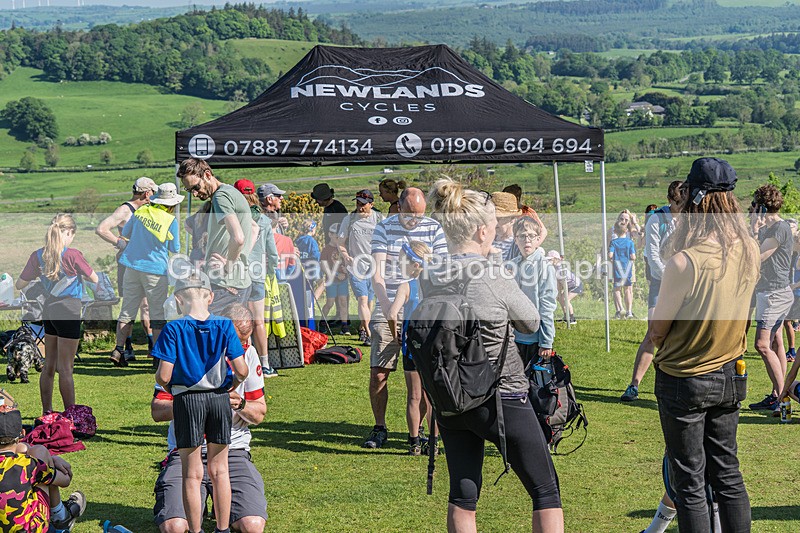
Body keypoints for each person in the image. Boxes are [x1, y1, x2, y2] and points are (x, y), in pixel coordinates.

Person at [427, 178, 563, 533]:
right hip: (500, 394)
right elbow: (531, 321)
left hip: (451, 396)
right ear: (484, 231)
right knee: (545, 489)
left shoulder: (432, 274)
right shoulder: (491, 275)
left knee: (463, 493)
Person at [649, 157, 758, 532]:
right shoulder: (749, 249)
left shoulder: (685, 261)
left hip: (685, 377)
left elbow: (658, 330)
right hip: (731, 372)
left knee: (690, 482)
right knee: (728, 474)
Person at [152, 304, 268, 533]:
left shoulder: (248, 354)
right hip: (187, 451)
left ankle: (221, 508)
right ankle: (200, 506)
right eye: (237, 342)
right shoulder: (182, 347)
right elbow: (157, 410)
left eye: (245, 341)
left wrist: (239, 403)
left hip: (233, 450)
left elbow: (259, 413)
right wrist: (194, 404)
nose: (242, 347)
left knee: (252, 525)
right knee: (174, 527)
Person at [365, 187, 448, 449]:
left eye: (420, 216)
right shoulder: (384, 228)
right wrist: (391, 309)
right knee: (380, 372)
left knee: (423, 379)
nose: (416, 221)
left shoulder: (434, 229)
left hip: (423, 307)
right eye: (411, 215)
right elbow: (376, 275)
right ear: (399, 207)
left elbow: (442, 269)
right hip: (389, 299)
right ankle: (380, 427)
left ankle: (419, 432)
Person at [16, 214, 99, 415]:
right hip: (69, 311)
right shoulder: (73, 255)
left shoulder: (37, 256)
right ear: (68, 232)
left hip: (49, 310)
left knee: (49, 366)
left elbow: (20, 284)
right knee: (66, 369)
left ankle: (47, 411)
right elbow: (95, 279)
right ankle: (70, 415)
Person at [621, 182, 684, 402]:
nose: (682, 207)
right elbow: (652, 254)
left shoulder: (690, 217)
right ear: (670, 200)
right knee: (653, 333)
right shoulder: (657, 219)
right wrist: (670, 276)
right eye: (678, 203)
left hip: (685, 281)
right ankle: (634, 385)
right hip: (662, 281)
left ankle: (676, 385)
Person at [110, 182, 183, 367]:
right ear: (172, 203)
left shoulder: (140, 212)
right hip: (155, 271)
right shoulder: (170, 220)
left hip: (131, 266)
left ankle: (119, 350)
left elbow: (125, 233)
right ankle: (157, 356)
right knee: (157, 312)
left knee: (127, 310)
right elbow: (175, 248)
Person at [177, 158, 254, 313]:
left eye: (196, 187)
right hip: (236, 282)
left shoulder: (220, 197)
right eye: (190, 190)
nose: (195, 193)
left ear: (207, 174)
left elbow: (238, 238)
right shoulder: (230, 193)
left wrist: (228, 266)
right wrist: (240, 260)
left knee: (211, 334)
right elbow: (253, 227)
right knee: (232, 335)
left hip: (225, 284)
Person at [0, 397, 87, 532]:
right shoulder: (30, 465)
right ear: (22, 433)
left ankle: (61, 515)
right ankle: (60, 516)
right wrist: (49, 461)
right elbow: (65, 481)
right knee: (42, 474)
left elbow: (21, 448)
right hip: (31, 529)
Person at [95, 177, 157, 358]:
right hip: (128, 263)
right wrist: (120, 243)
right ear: (146, 193)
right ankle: (127, 347)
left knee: (145, 305)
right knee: (131, 304)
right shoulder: (125, 209)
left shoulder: (145, 209)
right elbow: (102, 228)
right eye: (153, 192)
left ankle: (151, 346)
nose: (154, 195)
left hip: (144, 262)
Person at [748, 184, 794, 412]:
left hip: (774, 294)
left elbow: (758, 256)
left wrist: (754, 229)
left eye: (754, 206)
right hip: (774, 292)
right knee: (776, 342)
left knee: (761, 345)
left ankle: (784, 394)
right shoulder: (774, 228)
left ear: (762, 208)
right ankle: (778, 394)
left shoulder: (778, 229)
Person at [386, 241, 432, 455]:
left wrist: (396, 335)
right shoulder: (434, 285)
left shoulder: (406, 285)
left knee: (414, 396)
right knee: (432, 397)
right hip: (433, 346)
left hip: (412, 346)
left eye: (403, 260)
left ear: (414, 264)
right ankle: (434, 442)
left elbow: (392, 314)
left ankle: (414, 442)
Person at [235, 179, 279, 378]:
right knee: (258, 322)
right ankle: (265, 364)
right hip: (258, 274)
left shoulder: (234, 216)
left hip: (237, 275)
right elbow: (272, 252)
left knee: (239, 321)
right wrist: (271, 271)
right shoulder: (263, 220)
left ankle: (242, 361)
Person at [338, 189, 384, 345]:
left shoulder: (379, 219)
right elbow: (340, 243)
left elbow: (386, 241)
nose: (360, 207)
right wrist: (346, 256)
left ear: (372, 204)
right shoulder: (349, 219)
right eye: (358, 203)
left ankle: (363, 330)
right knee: (362, 299)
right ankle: (370, 334)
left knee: (369, 302)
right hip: (355, 266)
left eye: (363, 204)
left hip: (374, 267)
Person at [511, 216, 557, 370]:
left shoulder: (544, 267)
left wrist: (546, 341)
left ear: (538, 239)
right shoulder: (513, 265)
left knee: (534, 385)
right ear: (515, 239)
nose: (527, 240)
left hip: (535, 338)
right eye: (522, 236)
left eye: (531, 236)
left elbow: (547, 305)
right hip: (515, 336)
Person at [319, 224, 350, 335]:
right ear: (330, 235)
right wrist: (336, 274)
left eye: (339, 236)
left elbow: (348, 262)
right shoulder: (326, 249)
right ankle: (322, 322)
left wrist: (347, 269)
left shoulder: (343, 248)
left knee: (343, 302)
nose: (338, 238)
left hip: (343, 280)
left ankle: (344, 326)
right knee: (330, 303)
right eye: (335, 236)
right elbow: (324, 266)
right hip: (332, 280)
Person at [609, 220, 636, 319]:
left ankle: (620, 309)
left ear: (615, 231)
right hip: (627, 268)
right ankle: (629, 311)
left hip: (617, 268)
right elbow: (633, 256)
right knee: (628, 289)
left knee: (617, 288)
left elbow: (610, 255)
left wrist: (613, 260)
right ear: (626, 231)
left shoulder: (613, 242)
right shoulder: (630, 242)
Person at [546, 250, 582, 325]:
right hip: (567, 286)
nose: (549, 261)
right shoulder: (554, 268)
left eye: (550, 259)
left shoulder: (560, 268)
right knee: (560, 298)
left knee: (566, 299)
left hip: (576, 285)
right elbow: (559, 282)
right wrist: (558, 294)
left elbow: (564, 282)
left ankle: (572, 318)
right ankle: (566, 317)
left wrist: (563, 293)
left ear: (555, 259)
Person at [490, 191, 522, 262]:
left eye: (499, 218)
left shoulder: (519, 244)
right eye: (491, 218)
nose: (495, 222)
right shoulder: (487, 240)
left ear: (512, 220)